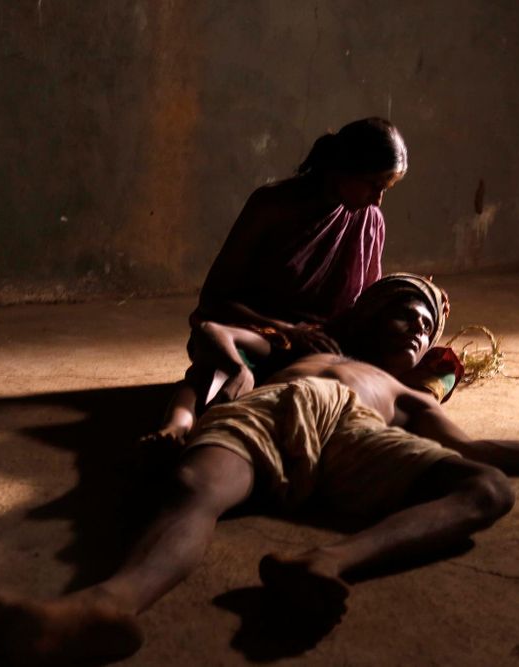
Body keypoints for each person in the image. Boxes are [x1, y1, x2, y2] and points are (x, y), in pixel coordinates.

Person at [0, 276, 519, 665]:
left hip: (358, 432)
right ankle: (108, 604)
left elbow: (480, 449)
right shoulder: (311, 347)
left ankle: (325, 561)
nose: (416, 330)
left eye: (426, 327)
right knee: (193, 491)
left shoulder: (405, 394)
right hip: (273, 407)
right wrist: (238, 364)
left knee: (486, 489)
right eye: (404, 315)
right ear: (370, 314)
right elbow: (212, 332)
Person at [153, 117, 409, 442]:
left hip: (324, 345)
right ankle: (176, 429)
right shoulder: (272, 206)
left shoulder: (370, 220)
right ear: (344, 167)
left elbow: (368, 304)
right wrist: (288, 331)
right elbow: (215, 299)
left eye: (386, 189)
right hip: (259, 335)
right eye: (374, 185)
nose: (378, 200)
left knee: (431, 363)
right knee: (217, 368)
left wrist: (414, 299)